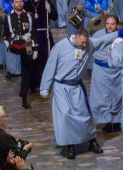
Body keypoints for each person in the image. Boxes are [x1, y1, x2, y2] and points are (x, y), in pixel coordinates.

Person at [39, 26, 102, 160]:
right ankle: (70, 145)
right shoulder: (60, 47)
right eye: (82, 42)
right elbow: (51, 65)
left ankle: (92, 141)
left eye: (86, 42)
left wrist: (122, 32)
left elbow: (104, 40)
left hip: (77, 86)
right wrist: (45, 86)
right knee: (65, 115)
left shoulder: (88, 45)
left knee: (85, 114)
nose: (84, 45)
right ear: (75, 37)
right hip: (62, 87)